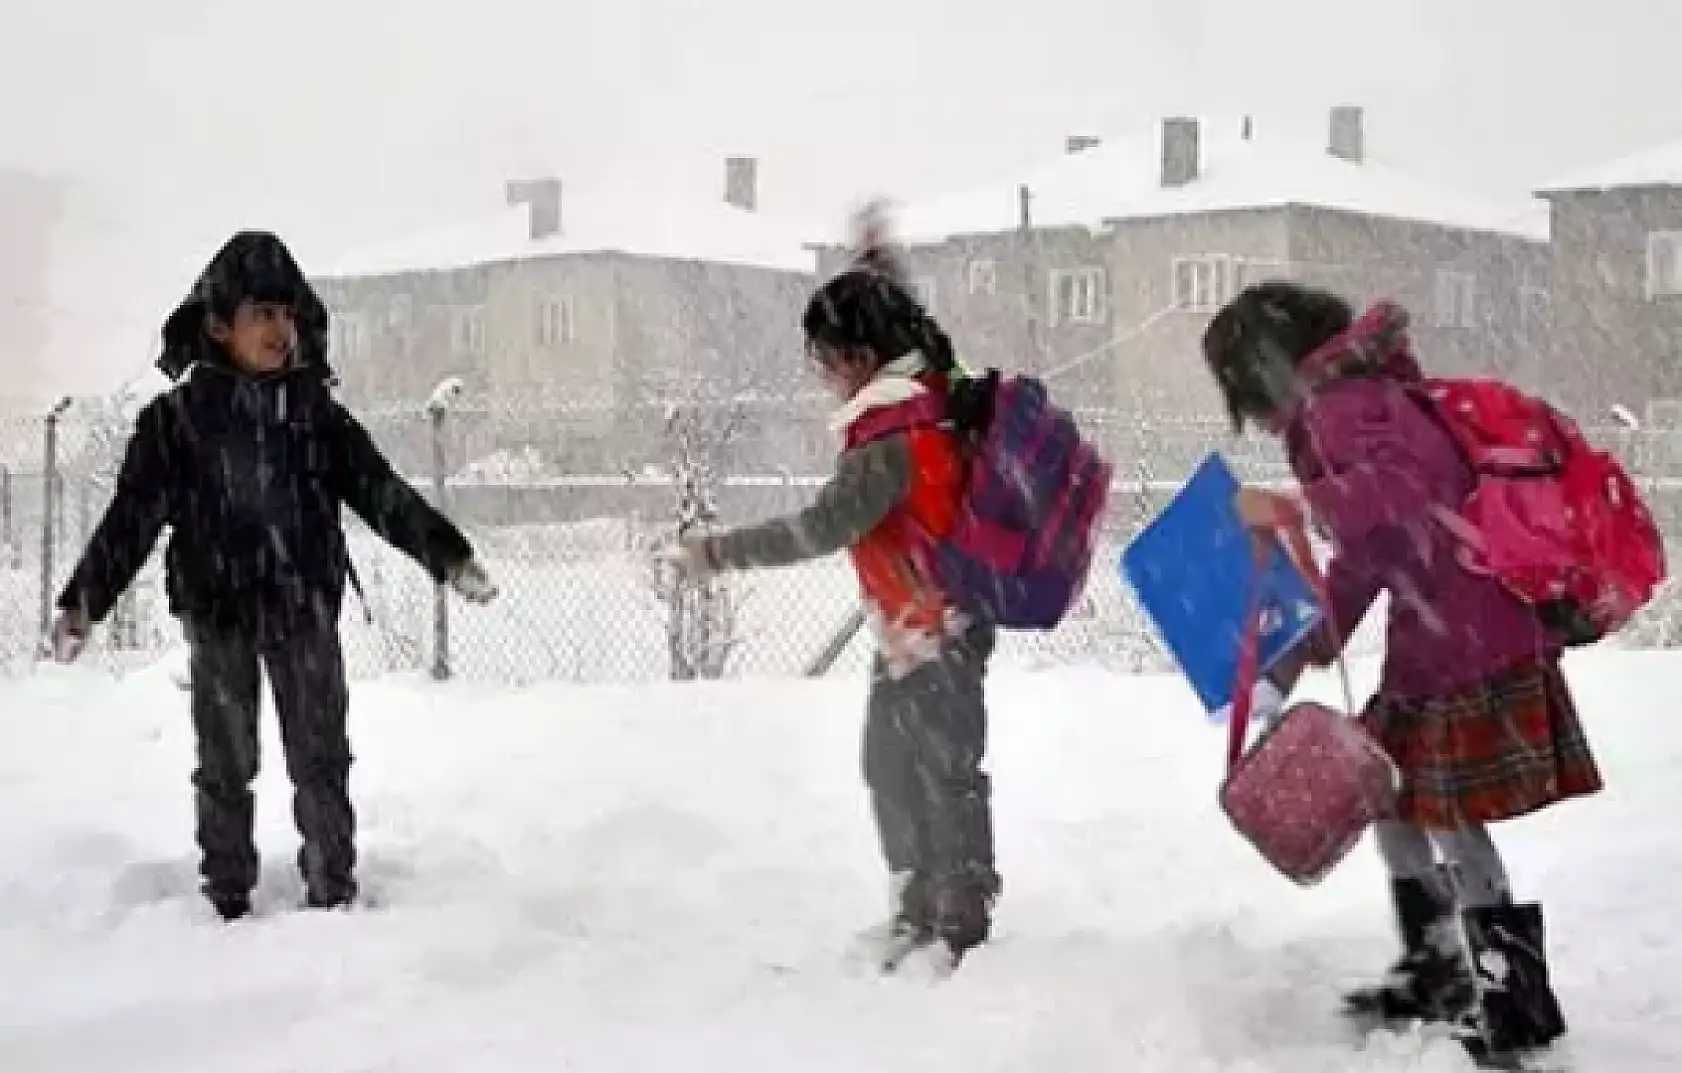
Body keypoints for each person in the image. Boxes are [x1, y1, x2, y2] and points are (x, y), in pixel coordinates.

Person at [1200, 281, 1600, 1067]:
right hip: (1444, 627)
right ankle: (1440, 966)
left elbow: (1407, 487)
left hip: (1468, 633)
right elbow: (1374, 551)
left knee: (1450, 814)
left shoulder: (1344, 404)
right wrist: (1304, 649)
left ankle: (1511, 1000)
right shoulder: (1349, 400)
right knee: (1392, 794)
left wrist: (1293, 500)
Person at [49, 230, 499, 921]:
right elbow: (130, 521)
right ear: (219, 323)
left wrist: (447, 553)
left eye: (287, 313)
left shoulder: (316, 417)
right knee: (226, 763)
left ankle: (333, 893)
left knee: (321, 756)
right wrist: (84, 601)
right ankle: (227, 898)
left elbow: (382, 493)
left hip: (302, 608)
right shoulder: (176, 424)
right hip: (217, 610)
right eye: (262, 313)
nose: (279, 329)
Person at [660, 258, 1000, 971]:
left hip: (937, 626)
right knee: (896, 766)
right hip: (921, 623)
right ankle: (923, 908)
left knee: (938, 774)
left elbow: (821, 527)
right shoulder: (932, 392)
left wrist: (716, 552)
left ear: (859, 357)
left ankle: (956, 926)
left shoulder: (891, 434)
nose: (823, 377)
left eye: (825, 361)